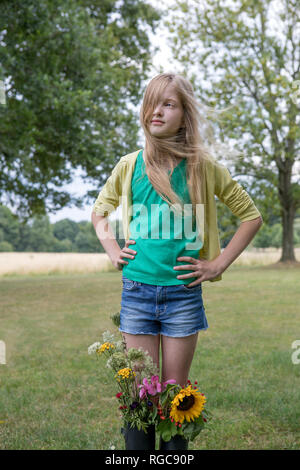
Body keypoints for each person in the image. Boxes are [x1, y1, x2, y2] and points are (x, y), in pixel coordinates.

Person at [91, 72, 263, 450]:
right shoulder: (130, 165)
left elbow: (251, 216)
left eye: (168, 103)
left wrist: (217, 264)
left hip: (182, 295)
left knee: (173, 394)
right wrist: (112, 249)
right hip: (136, 290)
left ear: (184, 115)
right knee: (141, 393)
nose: (157, 110)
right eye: (151, 102)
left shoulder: (203, 167)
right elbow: (100, 213)